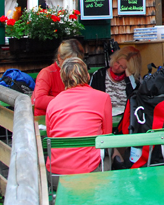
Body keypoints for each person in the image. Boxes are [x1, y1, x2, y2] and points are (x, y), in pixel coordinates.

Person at [45, 57, 113, 185]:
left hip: (56, 177)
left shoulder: (53, 103)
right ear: (87, 75)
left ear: (62, 78)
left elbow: (50, 138)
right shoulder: (103, 98)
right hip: (89, 175)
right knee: (111, 153)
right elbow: (106, 138)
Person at [32, 39, 84, 117]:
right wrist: (67, 101)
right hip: (46, 119)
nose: (73, 66)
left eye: (77, 63)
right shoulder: (47, 73)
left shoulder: (78, 72)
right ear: (59, 57)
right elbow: (39, 100)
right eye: (69, 62)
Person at [89, 46, 141, 118]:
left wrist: (129, 78)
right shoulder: (99, 75)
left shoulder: (134, 80)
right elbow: (90, 100)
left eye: (122, 67)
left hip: (126, 121)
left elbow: (135, 102)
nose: (116, 67)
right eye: (117, 62)